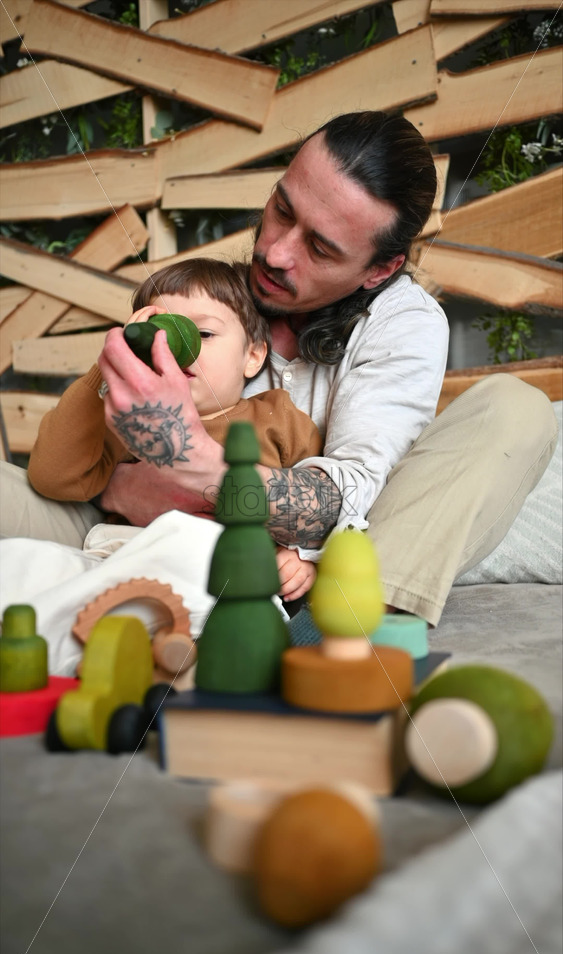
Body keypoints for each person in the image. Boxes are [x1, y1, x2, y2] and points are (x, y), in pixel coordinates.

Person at [1, 111, 557, 627]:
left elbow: (347, 500)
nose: (275, 254)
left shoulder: (404, 322)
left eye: (320, 248)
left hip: (312, 565)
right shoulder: (212, 301)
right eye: (282, 210)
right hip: (125, 533)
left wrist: (188, 463)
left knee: (518, 411)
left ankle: (329, 629)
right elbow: (80, 472)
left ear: (379, 268)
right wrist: (123, 476)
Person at [25, 258, 322, 604]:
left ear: (253, 356)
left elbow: (321, 509)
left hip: (226, 581)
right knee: (28, 566)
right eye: (160, 336)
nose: (177, 350)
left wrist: (303, 556)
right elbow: (51, 476)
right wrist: (110, 367)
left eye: (204, 334)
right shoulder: (130, 420)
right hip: (129, 567)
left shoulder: (277, 417)